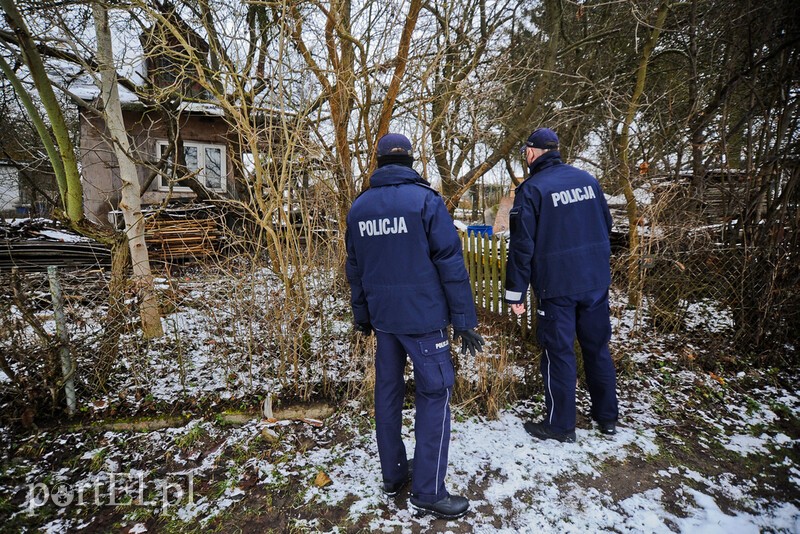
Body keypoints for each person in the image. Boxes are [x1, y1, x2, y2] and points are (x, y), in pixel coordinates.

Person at [345, 133, 484, 519]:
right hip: (424, 323)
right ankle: (428, 491)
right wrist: (464, 320)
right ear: (410, 160)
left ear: (378, 161)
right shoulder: (425, 200)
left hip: (385, 322)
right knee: (435, 397)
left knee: (387, 395)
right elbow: (450, 264)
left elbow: (354, 269)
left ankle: (393, 475)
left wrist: (362, 316)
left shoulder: (360, 208)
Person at [504, 127, 618, 443]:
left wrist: (515, 292)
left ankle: (560, 425)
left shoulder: (532, 190)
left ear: (531, 153)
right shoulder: (588, 180)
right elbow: (606, 224)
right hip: (595, 282)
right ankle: (607, 417)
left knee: (559, 352)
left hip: (557, 287)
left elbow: (521, 246)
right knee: (597, 349)